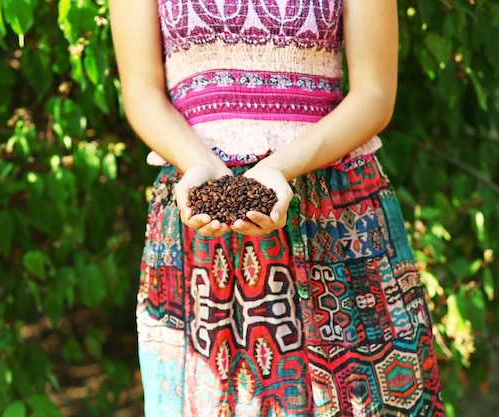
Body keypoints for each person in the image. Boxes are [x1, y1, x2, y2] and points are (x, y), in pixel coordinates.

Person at [108, 0, 445, 415]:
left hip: (334, 222)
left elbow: (374, 93)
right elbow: (141, 90)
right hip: (198, 222)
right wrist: (199, 163)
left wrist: (280, 167)